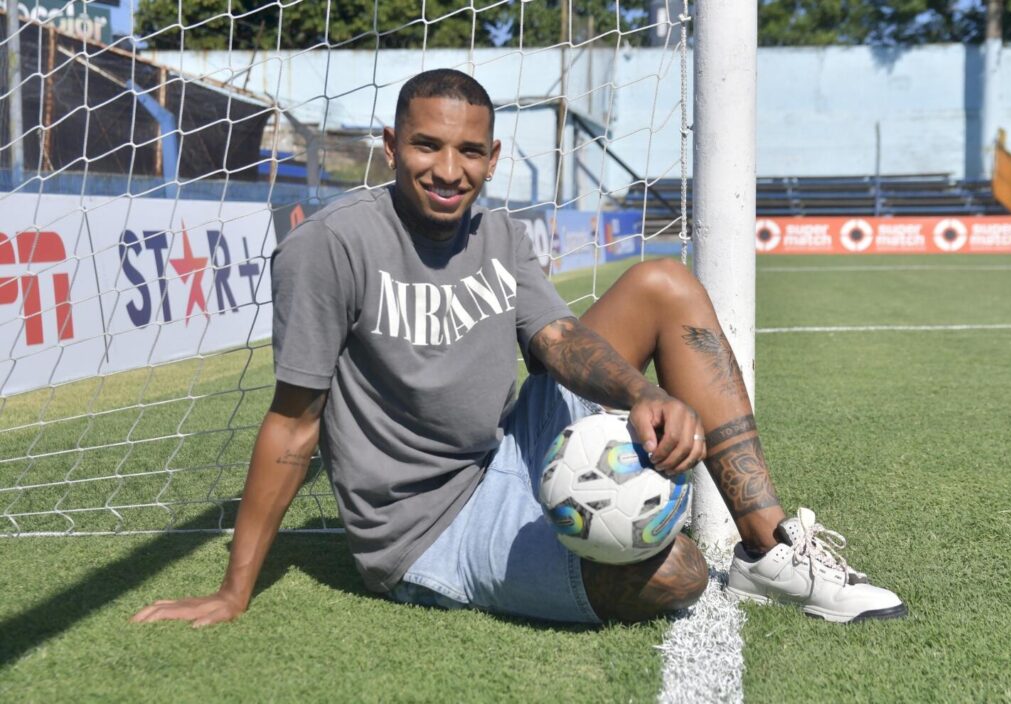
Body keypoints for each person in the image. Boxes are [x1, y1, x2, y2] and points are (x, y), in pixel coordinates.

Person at [133, 69, 906, 627]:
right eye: (427, 146)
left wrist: (643, 393)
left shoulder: (498, 233)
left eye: (469, 152)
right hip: (429, 529)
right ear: (391, 146)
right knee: (678, 574)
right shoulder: (330, 247)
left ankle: (772, 552)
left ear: (493, 157)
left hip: (506, 445)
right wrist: (234, 590)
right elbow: (294, 423)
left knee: (665, 284)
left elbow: (558, 339)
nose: (448, 171)